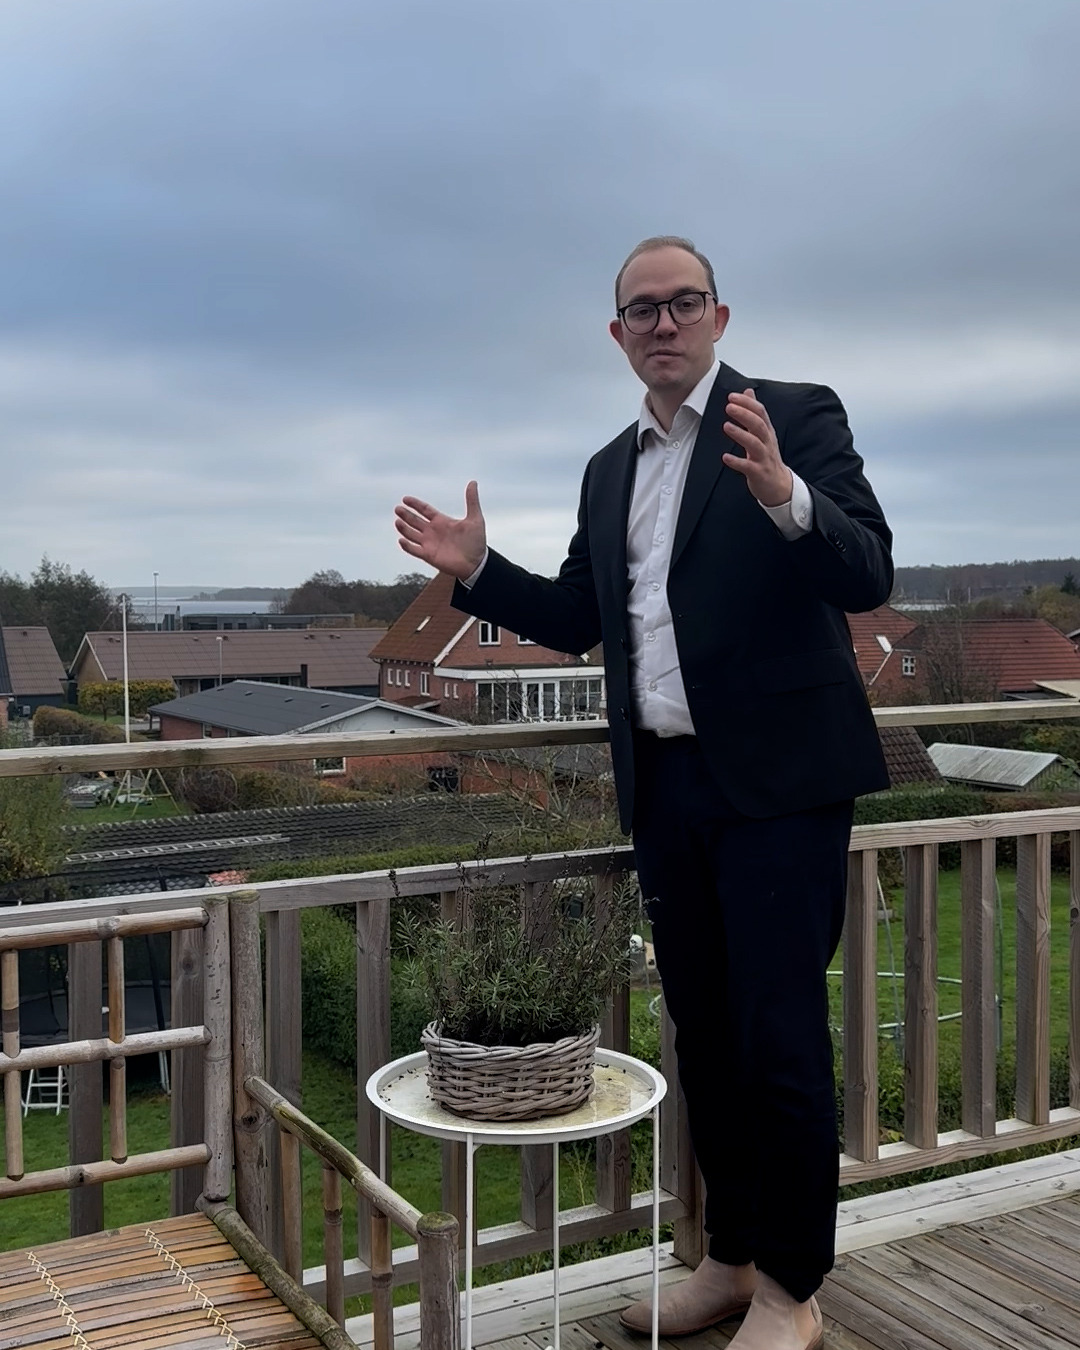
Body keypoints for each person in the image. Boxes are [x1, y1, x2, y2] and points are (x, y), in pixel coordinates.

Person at [394, 236, 892, 1350]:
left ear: (720, 317)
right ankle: (732, 1258)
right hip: (667, 789)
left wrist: (785, 497)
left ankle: (792, 1292)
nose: (663, 324)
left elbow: (869, 573)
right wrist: (478, 570)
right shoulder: (609, 467)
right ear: (617, 336)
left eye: (684, 304)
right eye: (641, 311)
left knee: (778, 1041)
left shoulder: (794, 416)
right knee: (705, 1038)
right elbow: (580, 618)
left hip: (779, 790)